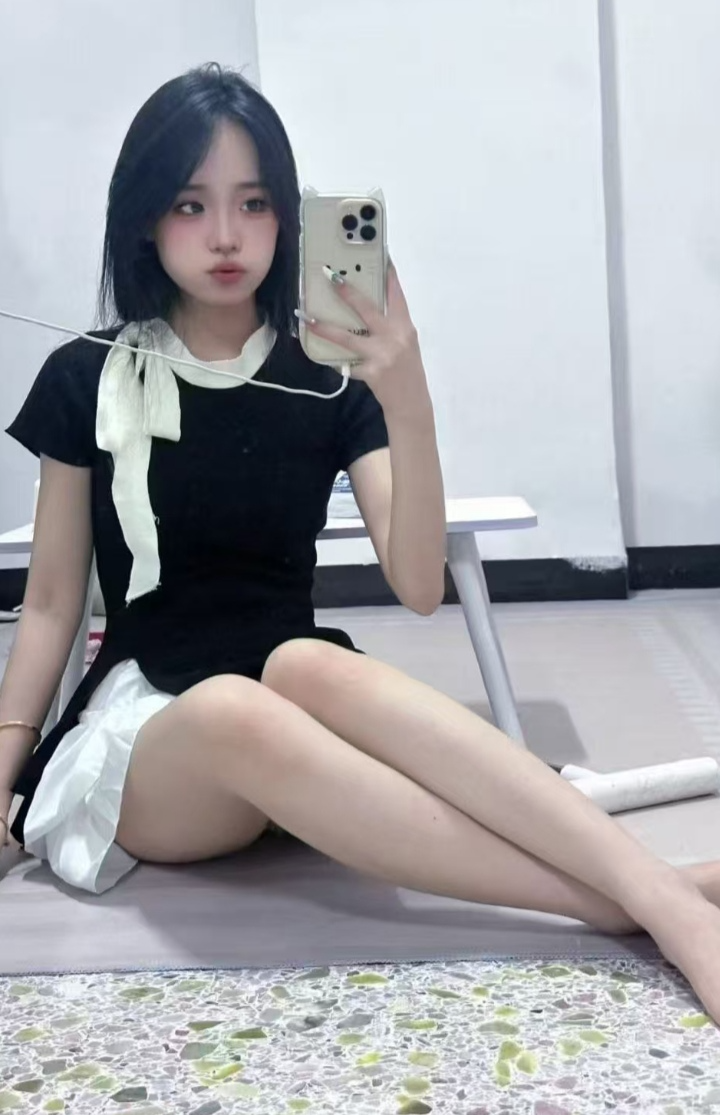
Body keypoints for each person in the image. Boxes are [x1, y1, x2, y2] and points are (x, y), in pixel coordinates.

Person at [1, 63, 720, 1022]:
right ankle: (661, 899)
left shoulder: (326, 376)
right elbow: (52, 601)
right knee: (235, 706)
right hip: (151, 747)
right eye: (190, 204)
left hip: (290, 716)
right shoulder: (85, 373)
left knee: (304, 661)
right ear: (144, 218)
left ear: (288, 215)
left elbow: (418, 584)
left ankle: (656, 894)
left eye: (255, 203)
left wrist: (405, 392)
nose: (226, 235)